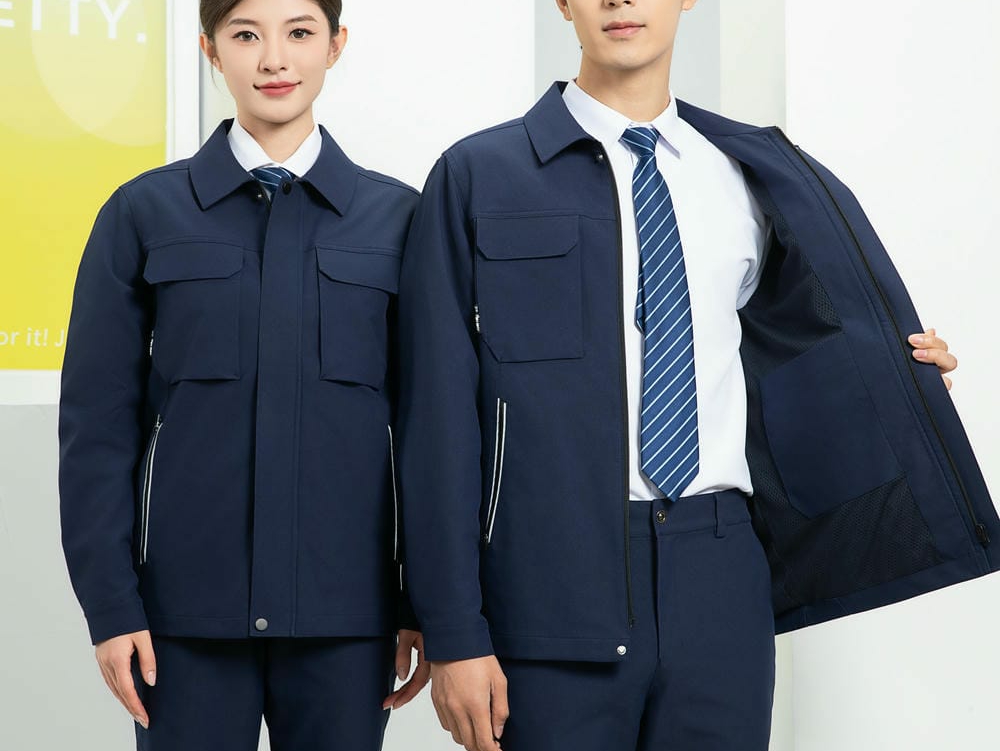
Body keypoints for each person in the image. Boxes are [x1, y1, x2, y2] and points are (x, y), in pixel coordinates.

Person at [396, 1, 998, 749]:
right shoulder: (478, 174)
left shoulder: (754, 172)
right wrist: (454, 629)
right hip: (547, 576)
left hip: (720, 570)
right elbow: (436, 418)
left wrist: (900, 380)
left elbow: (794, 356)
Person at [58, 0, 428, 748]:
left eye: (300, 33)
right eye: (246, 35)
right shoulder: (143, 213)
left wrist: (423, 601)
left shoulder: (399, 220)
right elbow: (96, 429)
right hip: (182, 621)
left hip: (348, 619)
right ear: (210, 49)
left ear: (336, 45)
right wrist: (111, 606)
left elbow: (430, 431)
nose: (274, 59)